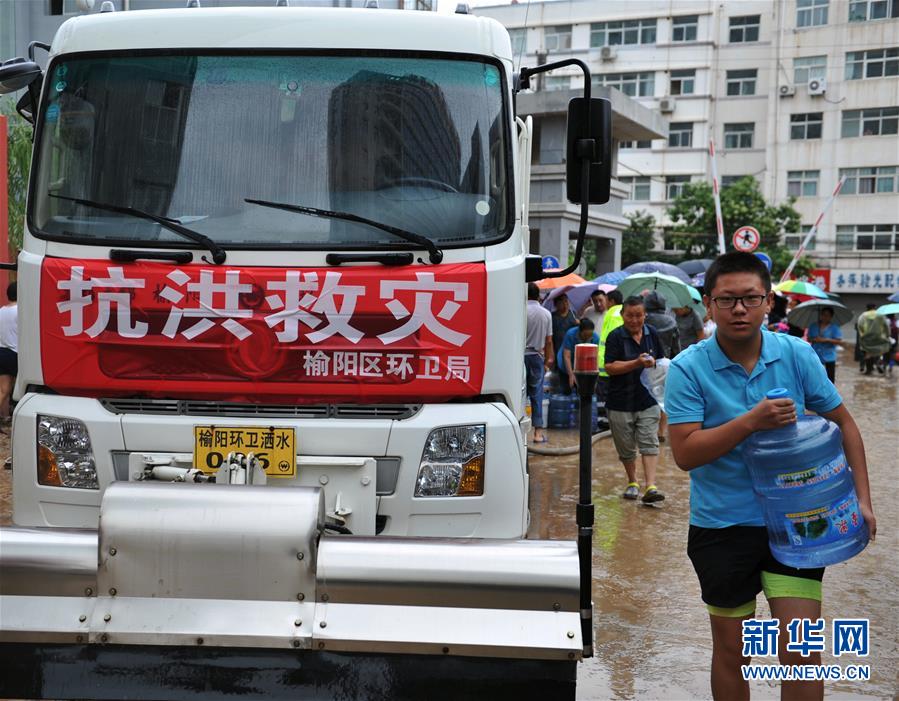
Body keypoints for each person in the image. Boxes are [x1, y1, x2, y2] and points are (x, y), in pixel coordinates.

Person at [665, 252, 876, 701]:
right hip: (721, 526)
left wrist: (862, 500)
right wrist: (750, 422)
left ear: (767, 302)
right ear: (709, 304)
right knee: (731, 652)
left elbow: (845, 424)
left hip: (801, 523)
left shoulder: (796, 355)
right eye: (727, 300)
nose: (739, 309)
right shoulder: (688, 367)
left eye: (750, 299)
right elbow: (684, 453)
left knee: (801, 653)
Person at [604, 296, 666, 504]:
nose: (634, 320)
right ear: (622, 315)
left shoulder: (652, 334)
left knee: (649, 441)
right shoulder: (615, 337)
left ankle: (650, 486)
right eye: (630, 315)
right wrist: (636, 363)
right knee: (626, 447)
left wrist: (655, 363)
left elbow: (662, 360)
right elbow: (610, 367)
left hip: (647, 400)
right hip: (619, 401)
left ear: (645, 315)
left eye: (638, 315)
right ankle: (633, 482)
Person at [644, 290, 679, 442]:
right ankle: (662, 432)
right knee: (663, 397)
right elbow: (676, 347)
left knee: (647, 397)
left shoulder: (644, 320)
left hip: (645, 362)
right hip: (666, 363)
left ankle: (647, 431)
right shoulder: (671, 321)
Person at [525, 283, 553, 443]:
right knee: (537, 395)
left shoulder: (519, 311)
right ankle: (537, 433)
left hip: (519, 357)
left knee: (519, 395)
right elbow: (548, 341)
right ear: (538, 296)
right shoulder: (546, 314)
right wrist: (547, 361)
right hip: (537, 356)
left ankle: (518, 432)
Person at [596, 289, 624, 408]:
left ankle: (604, 422)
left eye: (606, 300)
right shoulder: (619, 312)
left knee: (604, 397)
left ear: (611, 301)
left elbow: (613, 339)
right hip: (614, 363)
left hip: (608, 364)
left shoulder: (614, 315)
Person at [557, 318, 599, 394]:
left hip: (583, 367)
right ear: (579, 331)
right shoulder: (570, 334)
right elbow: (567, 356)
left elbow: (595, 359)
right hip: (566, 365)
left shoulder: (595, 338)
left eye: (590, 335)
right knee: (568, 390)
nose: (588, 338)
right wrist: (571, 375)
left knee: (582, 392)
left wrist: (595, 379)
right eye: (585, 335)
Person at [807, 307, 843, 383]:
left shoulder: (834, 328)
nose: (825, 317)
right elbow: (809, 339)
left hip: (829, 356)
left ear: (831, 317)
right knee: (814, 377)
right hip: (815, 354)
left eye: (827, 315)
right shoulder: (813, 326)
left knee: (830, 378)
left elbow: (838, 341)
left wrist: (826, 340)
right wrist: (815, 339)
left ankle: (830, 393)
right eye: (823, 315)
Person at [0, 282, 18, 423]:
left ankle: (5, 418)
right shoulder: (20, 311)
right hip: (15, 353)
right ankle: (18, 420)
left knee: (3, 390)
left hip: (2, 352)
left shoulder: (1, 311)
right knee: (19, 389)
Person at [857, 303, 890, 375]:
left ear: (867, 308)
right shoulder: (880, 315)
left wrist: (862, 336)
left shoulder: (863, 316)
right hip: (879, 337)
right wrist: (887, 335)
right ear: (875, 307)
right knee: (878, 352)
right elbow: (886, 326)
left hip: (867, 338)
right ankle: (877, 363)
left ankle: (869, 370)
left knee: (868, 353)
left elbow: (859, 325)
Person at [551, 293, 578, 365]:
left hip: (570, 348)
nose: (565, 304)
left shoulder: (573, 315)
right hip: (556, 347)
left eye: (566, 301)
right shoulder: (552, 317)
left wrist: (578, 324)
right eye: (561, 302)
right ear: (556, 304)